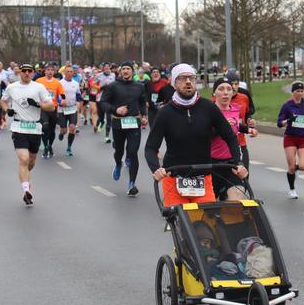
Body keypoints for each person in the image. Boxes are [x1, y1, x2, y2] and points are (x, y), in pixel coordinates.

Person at [145, 63, 248, 207]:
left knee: (206, 225)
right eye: (182, 78)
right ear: (174, 83)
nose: (188, 82)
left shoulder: (208, 107)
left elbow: (230, 136)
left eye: (191, 78)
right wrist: (156, 169)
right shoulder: (165, 113)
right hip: (174, 177)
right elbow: (150, 147)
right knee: (180, 223)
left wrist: (238, 163)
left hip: (203, 177)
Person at [0, 63, 55, 205]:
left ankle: (25, 177)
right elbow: (3, 100)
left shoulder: (39, 87)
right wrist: (7, 110)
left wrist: (38, 104)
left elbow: (51, 106)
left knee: (30, 162)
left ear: (32, 73)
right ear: (20, 73)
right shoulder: (12, 87)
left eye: (29, 71)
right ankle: (26, 190)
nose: (26, 73)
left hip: (35, 128)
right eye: (24, 71)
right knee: (23, 159)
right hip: (19, 127)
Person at [100, 61, 148, 196]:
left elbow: (142, 102)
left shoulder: (139, 86)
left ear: (133, 71)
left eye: (128, 69)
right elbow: (103, 102)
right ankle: (118, 164)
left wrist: (144, 115)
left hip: (134, 123)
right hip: (118, 123)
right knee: (119, 151)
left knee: (133, 152)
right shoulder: (113, 86)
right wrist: (115, 110)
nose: (126, 71)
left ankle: (132, 183)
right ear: (120, 71)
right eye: (124, 69)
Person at [211, 77, 258, 200]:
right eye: (221, 89)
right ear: (214, 93)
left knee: (238, 199)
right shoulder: (208, 111)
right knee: (210, 207)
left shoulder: (235, 108)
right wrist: (221, 126)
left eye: (229, 89)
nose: (225, 92)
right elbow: (202, 135)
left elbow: (235, 124)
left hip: (231, 162)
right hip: (211, 164)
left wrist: (248, 129)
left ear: (233, 93)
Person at [277, 81, 304, 199]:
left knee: (303, 166)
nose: (300, 93)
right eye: (297, 91)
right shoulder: (287, 105)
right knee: (291, 167)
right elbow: (279, 124)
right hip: (290, 138)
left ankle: (296, 170)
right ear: (292, 92)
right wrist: (288, 120)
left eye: (302, 91)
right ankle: (292, 189)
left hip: (303, 138)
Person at [225, 69, 256, 171]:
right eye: (231, 84)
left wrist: (250, 122)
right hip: (224, 145)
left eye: (236, 84)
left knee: (244, 175)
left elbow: (246, 115)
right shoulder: (218, 99)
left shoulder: (244, 98)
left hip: (241, 143)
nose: (234, 87)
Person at [35, 63, 65, 158]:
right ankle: (45, 146)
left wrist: (63, 100)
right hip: (43, 108)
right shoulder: (39, 81)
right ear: (45, 71)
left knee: (52, 131)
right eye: (48, 70)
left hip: (53, 108)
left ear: (54, 71)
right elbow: (33, 91)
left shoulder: (57, 82)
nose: (50, 72)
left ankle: (50, 145)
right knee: (45, 128)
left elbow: (61, 94)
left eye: (52, 70)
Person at [58, 66, 82, 156]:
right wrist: (60, 102)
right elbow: (57, 96)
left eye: (71, 71)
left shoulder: (75, 83)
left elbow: (78, 94)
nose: (69, 73)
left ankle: (69, 147)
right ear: (64, 73)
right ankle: (61, 132)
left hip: (72, 109)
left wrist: (80, 99)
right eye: (67, 71)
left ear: (73, 73)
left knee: (72, 128)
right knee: (64, 130)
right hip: (62, 109)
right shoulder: (60, 83)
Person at [96, 63, 116, 143]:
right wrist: (101, 87)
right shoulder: (98, 76)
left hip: (110, 99)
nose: (107, 69)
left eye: (108, 67)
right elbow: (92, 85)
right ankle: (101, 121)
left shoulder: (113, 75)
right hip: (100, 98)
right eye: (105, 67)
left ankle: (107, 136)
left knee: (109, 118)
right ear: (103, 68)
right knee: (101, 116)